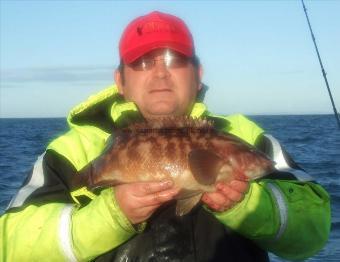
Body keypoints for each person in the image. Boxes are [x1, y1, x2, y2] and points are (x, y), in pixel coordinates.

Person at [0, 11, 330, 261]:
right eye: (143, 62)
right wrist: (113, 214)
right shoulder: (72, 151)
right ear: (120, 80)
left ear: (198, 74)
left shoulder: (244, 135)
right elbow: (10, 244)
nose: (160, 73)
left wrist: (249, 206)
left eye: (174, 60)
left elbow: (314, 228)